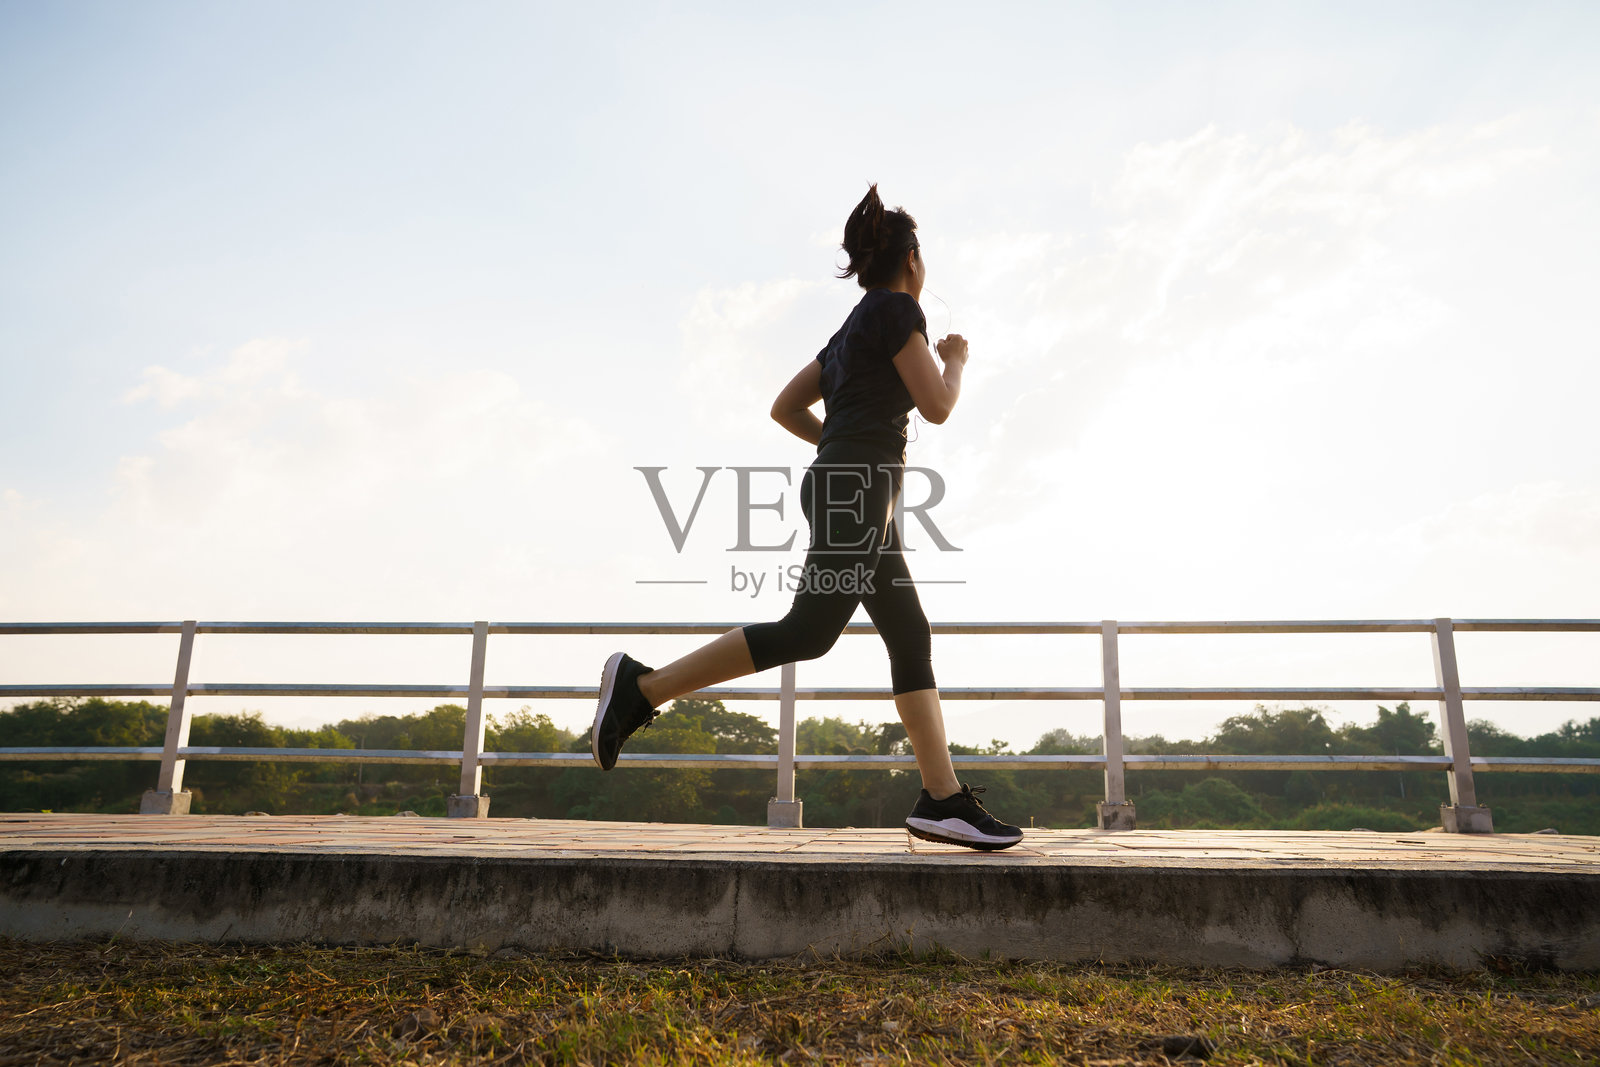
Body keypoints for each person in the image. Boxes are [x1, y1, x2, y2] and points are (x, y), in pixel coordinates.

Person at [592, 185, 1023, 851]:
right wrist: (955, 361)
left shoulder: (850, 330)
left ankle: (942, 797)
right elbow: (936, 405)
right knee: (809, 629)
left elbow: (785, 407)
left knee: (909, 631)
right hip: (859, 487)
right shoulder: (899, 311)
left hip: (851, 485)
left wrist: (837, 448)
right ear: (911, 261)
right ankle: (642, 688)